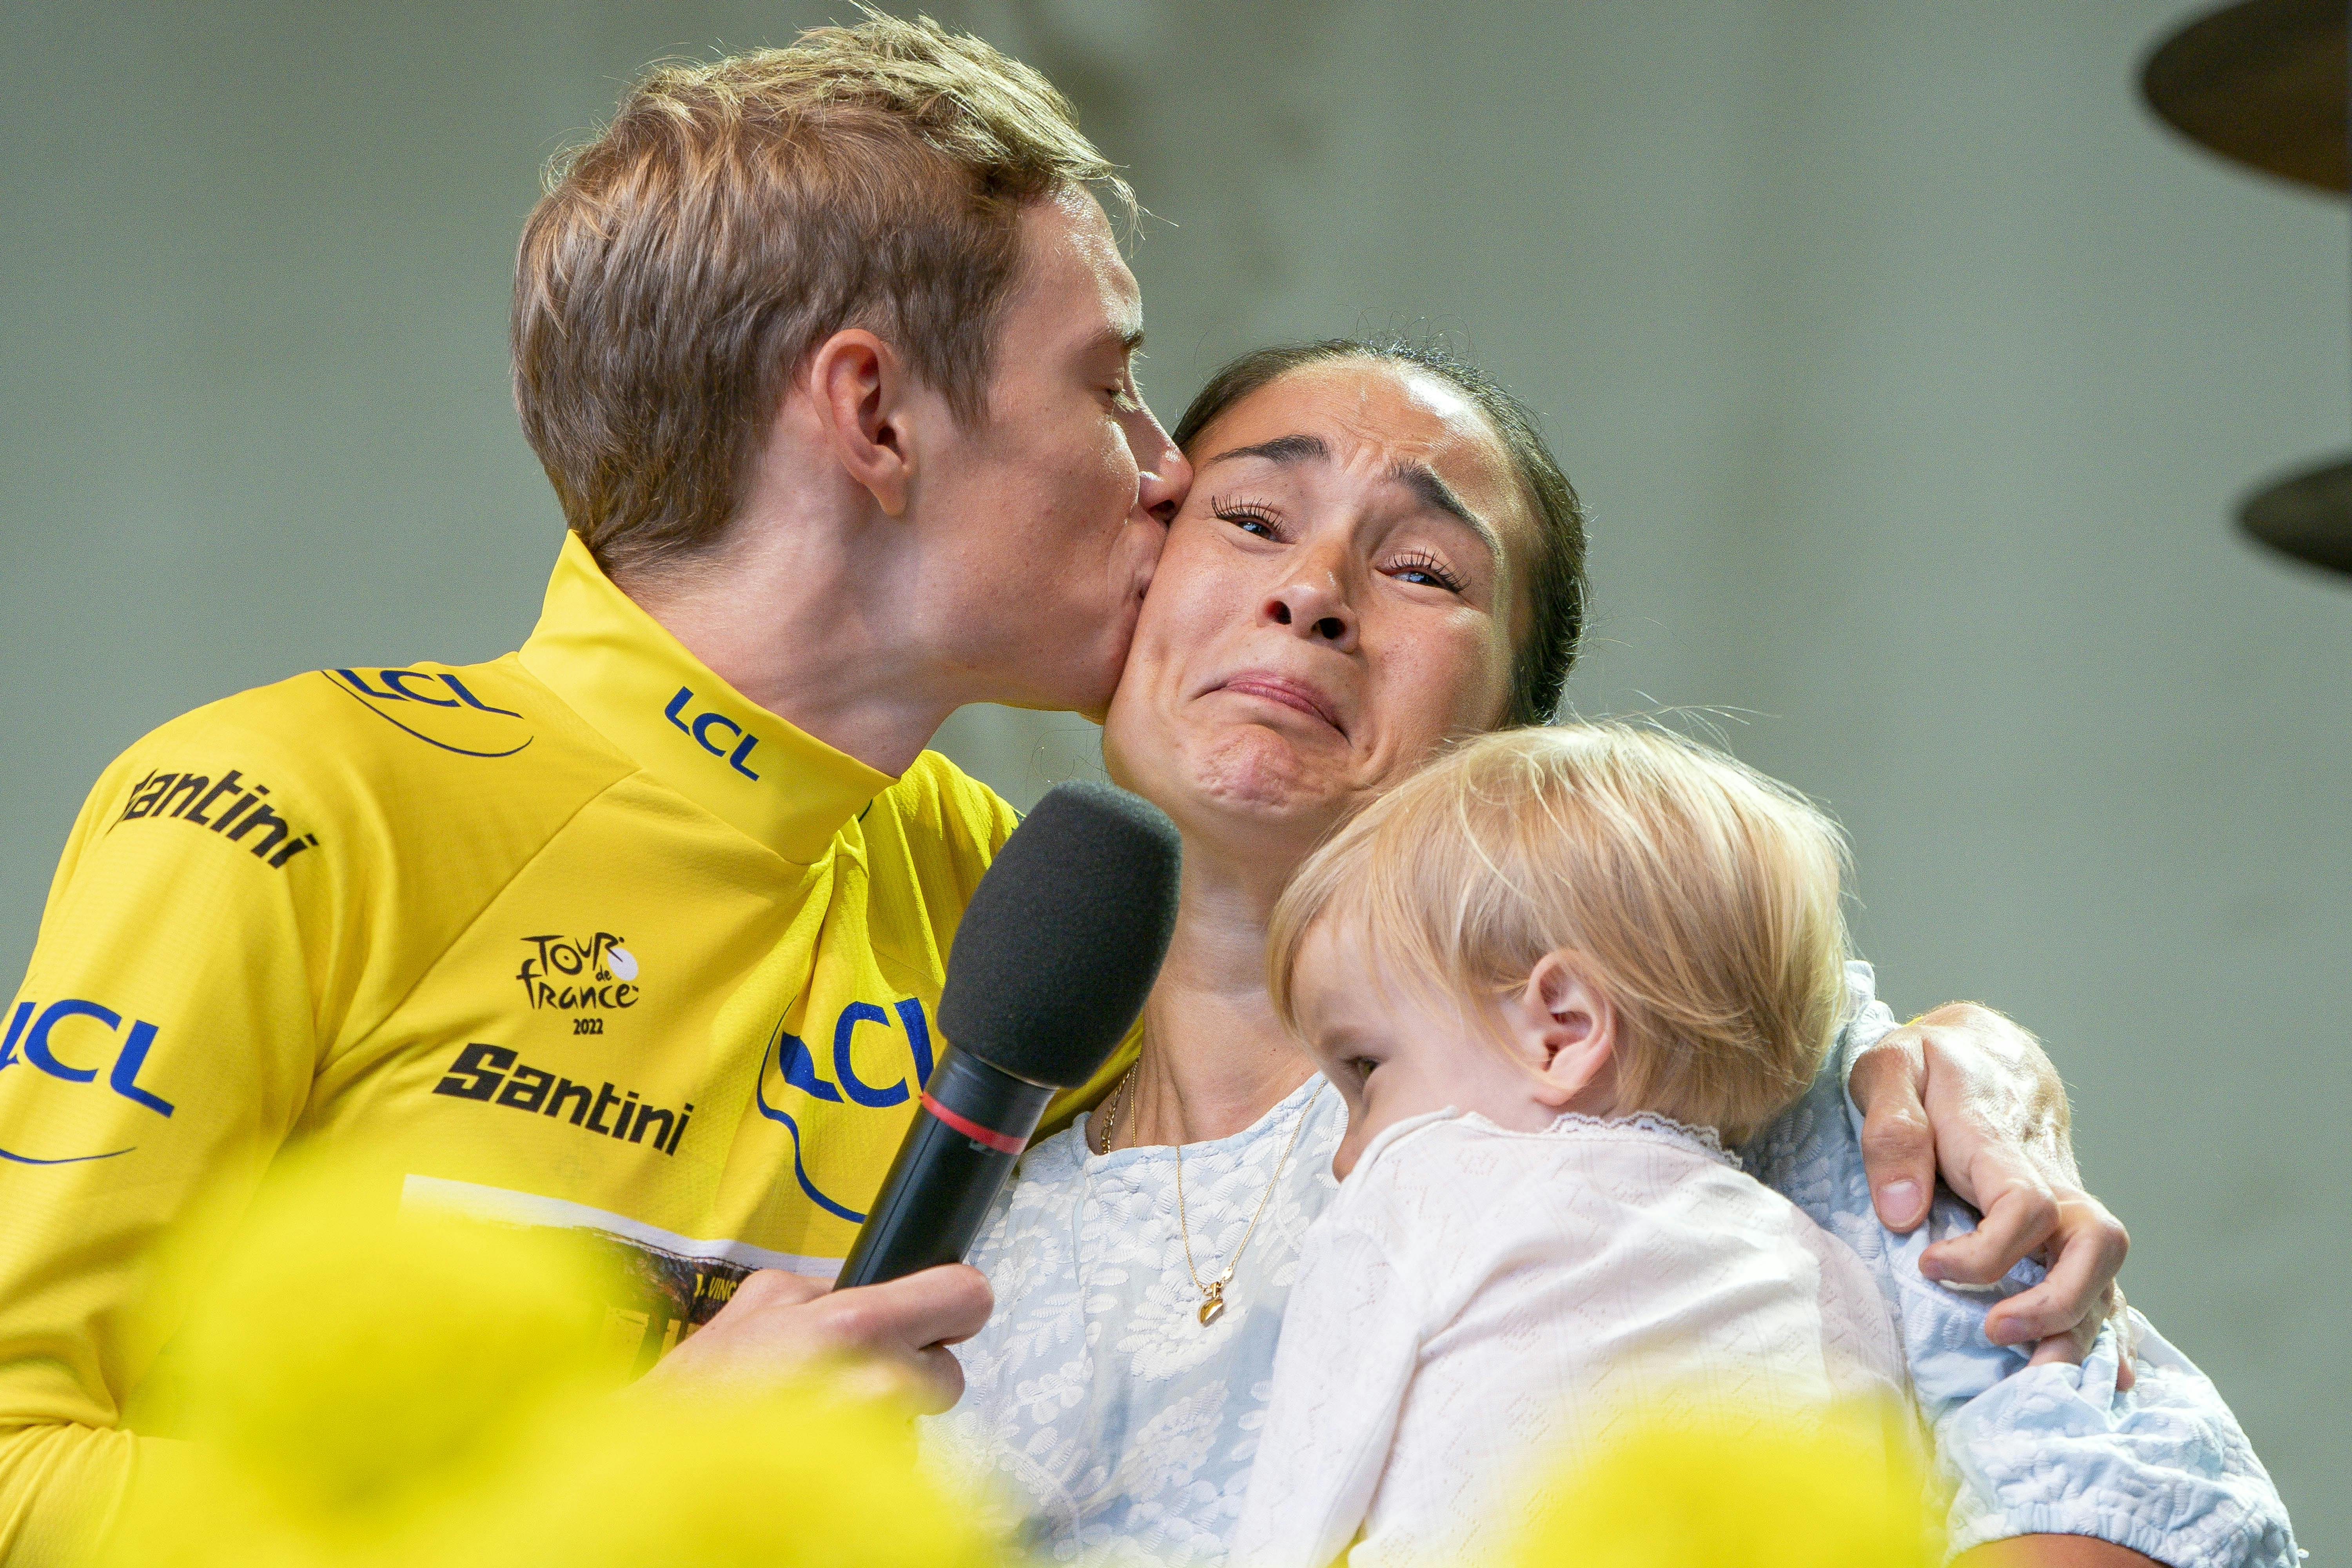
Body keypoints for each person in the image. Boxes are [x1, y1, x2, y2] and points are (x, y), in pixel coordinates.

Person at [0, 14, 2143, 1566]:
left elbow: (1545, 985)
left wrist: (1943, 1064)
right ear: (874, 415)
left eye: (1409, 568)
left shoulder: (1042, 912)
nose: (1159, 482)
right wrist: (592, 1502)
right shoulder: (294, 803)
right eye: (1119, 394)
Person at [934, 340, 2296, 1568]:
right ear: (1135, 577)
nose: (1313, 592)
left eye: (1423, 570)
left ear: (1514, 732)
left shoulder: (1683, 1067)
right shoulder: (962, 1194)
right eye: (1250, 520)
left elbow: (2132, 1492)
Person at [1233, 722, 1952, 1567]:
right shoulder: (1838, 1276)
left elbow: (1294, 1515)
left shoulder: (1415, 1188)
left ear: (1563, 1028)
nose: (1346, 1152)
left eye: (1366, 1069)